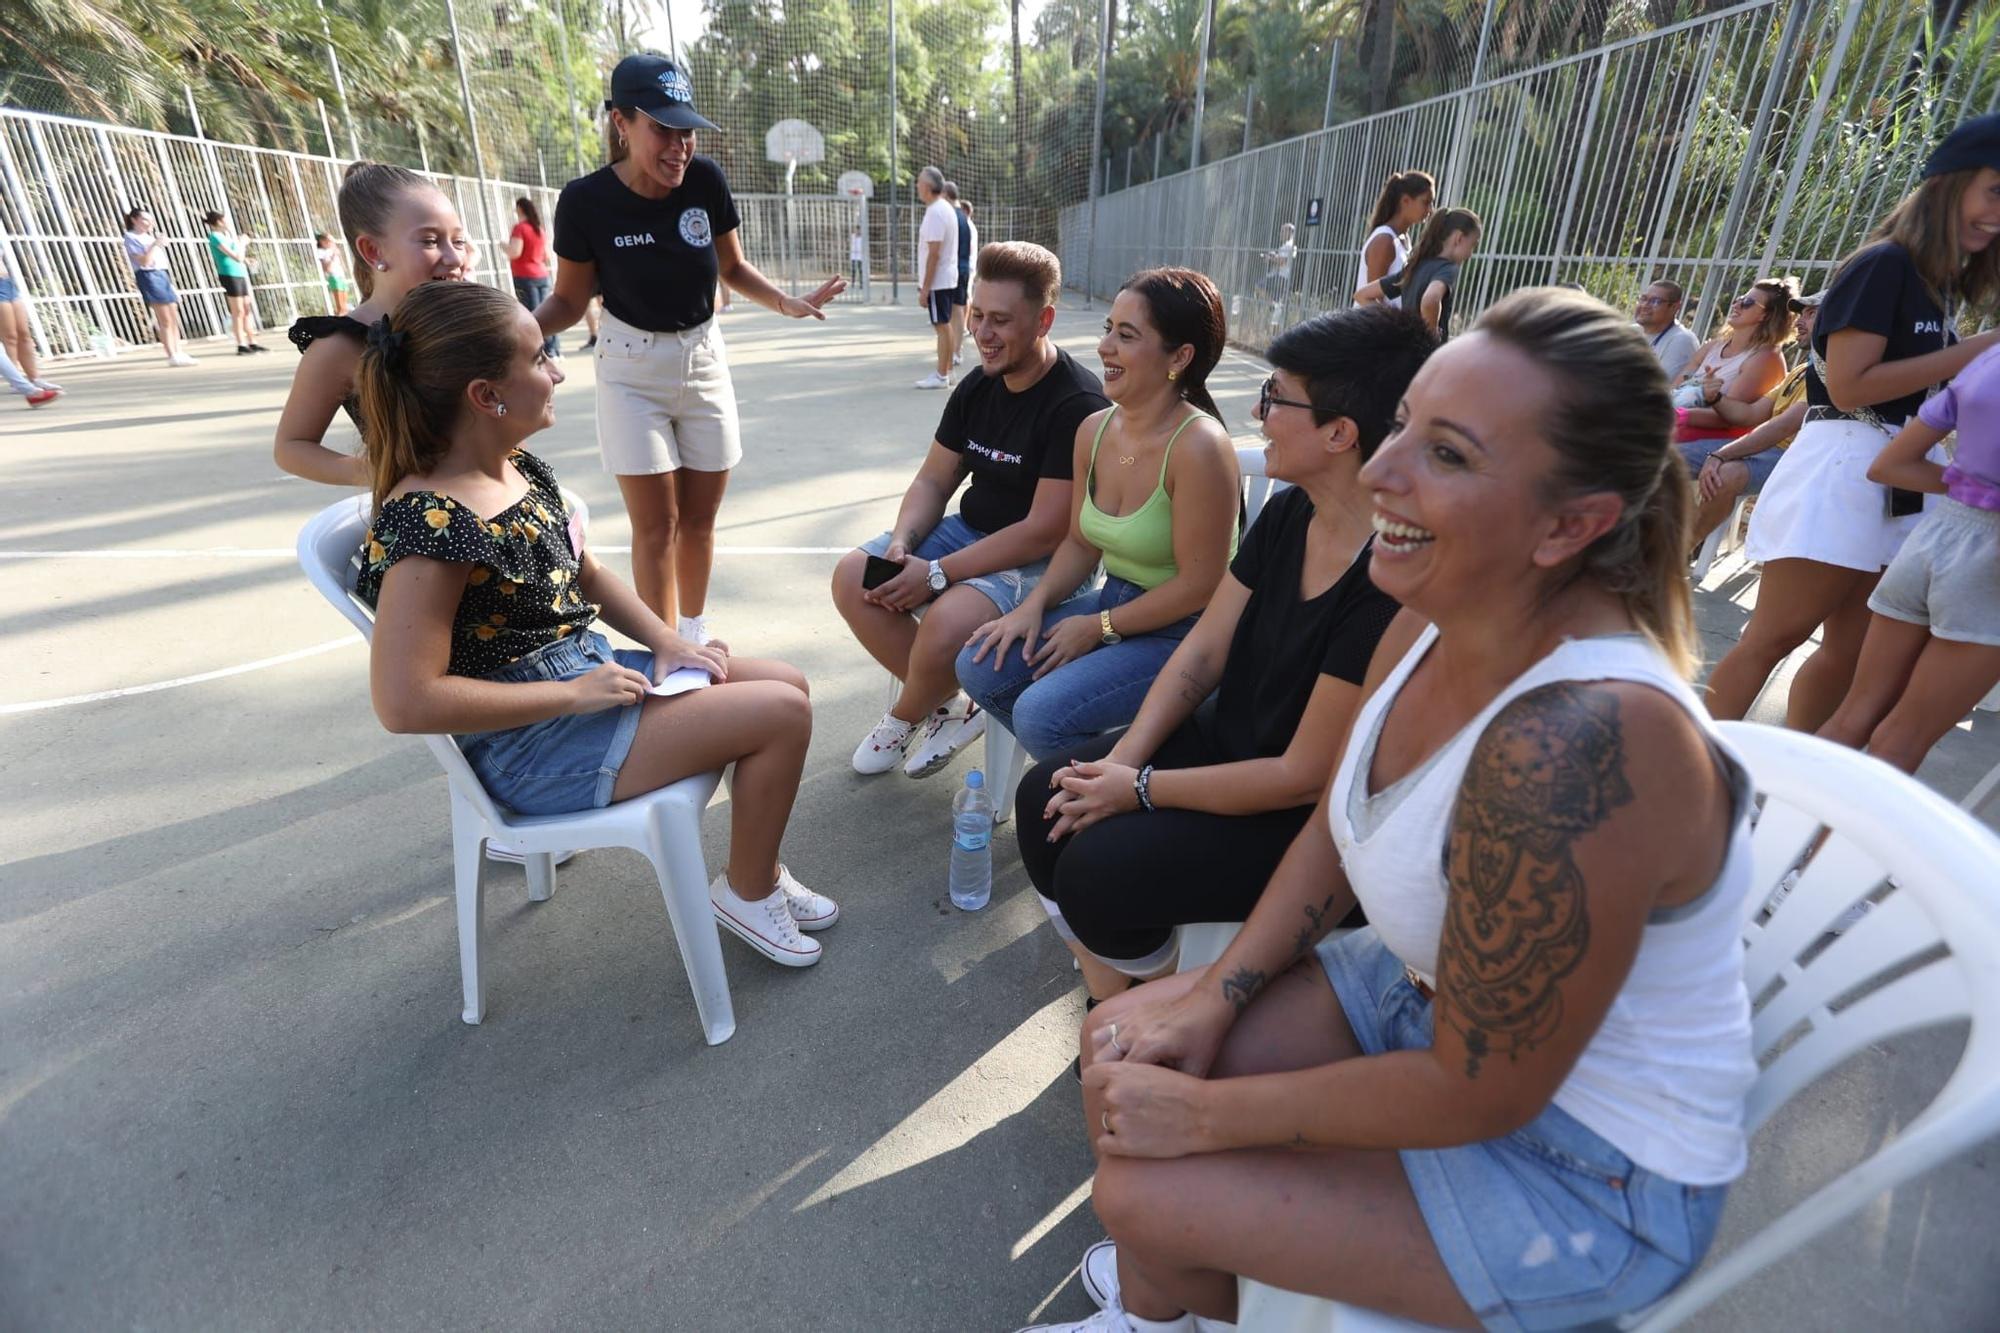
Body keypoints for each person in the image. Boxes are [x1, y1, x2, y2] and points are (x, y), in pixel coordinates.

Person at [1028, 288, 1756, 1333]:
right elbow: (1338, 817)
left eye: (1446, 453)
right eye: (1402, 421)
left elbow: (1480, 1092)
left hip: (1584, 1169)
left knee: (1142, 1179)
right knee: (1125, 1052)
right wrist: (1215, 996)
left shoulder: (1580, 741)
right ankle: (1165, 1311)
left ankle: (1175, 1301)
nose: (1378, 468)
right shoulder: (1440, 608)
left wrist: (1209, 1114)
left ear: (1571, 525)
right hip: (1414, 991)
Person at [354, 280, 834, 967]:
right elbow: (405, 701)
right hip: (528, 741)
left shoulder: (516, 468)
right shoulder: (433, 522)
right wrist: (573, 695)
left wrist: (667, 640)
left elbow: (586, 573)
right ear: (487, 396)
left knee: (785, 682)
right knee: (780, 714)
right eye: (540, 357)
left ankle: (759, 868)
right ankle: (748, 892)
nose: (558, 369)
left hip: (584, 674)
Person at [1015, 305, 1432, 1005]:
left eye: (1275, 397)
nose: (1255, 409)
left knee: (1095, 869)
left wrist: (1140, 788)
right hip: (1225, 744)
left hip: (1300, 819)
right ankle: (1123, 995)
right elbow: (1201, 655)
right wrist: (1123, 761)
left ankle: (1140, 1001)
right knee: (1044, 797)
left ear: (1339, 432)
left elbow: (1301, 776)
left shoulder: (1389, 577)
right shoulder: (1292, 511)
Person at [533, 53, 844, 645]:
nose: (680, 146)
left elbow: (732, 266)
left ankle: (693, 637)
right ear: (622, 124)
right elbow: (570, 303)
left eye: (687, 131)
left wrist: (786, 302)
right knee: (657, 526)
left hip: (704, 358)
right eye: (663, 130)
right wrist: (519, 331)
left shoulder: (706, 181)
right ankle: (663, 648)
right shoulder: (585, 201)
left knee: (699, 521)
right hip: (629, 368)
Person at [1707, 116, 2000, 730]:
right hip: (1842, 464)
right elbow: (1848, 385)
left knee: (1845, 656)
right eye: (1993, 190)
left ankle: (1788, 781)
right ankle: (1689, 773)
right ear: (1949, 184)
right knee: (1773, 638)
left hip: (1895, 480)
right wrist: (1979, 349)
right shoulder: (1883, 265)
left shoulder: (1932, 286)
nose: (1997, 213)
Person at [833, 241, 1109, 779]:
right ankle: (953, 706)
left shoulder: (1077, 403)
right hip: (971, 532)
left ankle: (905, 714)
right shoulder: (979, 385)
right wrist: (903, 542)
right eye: (977, 315)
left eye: (1001, 320)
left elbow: (1045, 529)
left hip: (1046, 561)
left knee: (947, 619)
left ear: (1044, 319)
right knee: (854, 577)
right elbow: (934, 479)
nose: (982, 333)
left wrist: (936, 574)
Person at [957, 268, 1239, 766]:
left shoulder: (1200, 446)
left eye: (1126, 336)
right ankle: (1116, 770)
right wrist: (1033, 606)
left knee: (1043, 715)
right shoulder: (1094, 429)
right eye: (1108, 327)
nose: (1105, 346)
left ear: (1180, 357)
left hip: (1193, 631)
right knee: (980, 666)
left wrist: (1100, 627)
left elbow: (1201, 586)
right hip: (1118, 603)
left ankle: (1123, 799)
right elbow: (1080, 543)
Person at [1818, 342, 2000, 775]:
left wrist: (1971, 489)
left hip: (1933, 538)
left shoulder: (1987, 359)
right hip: (1987, 565)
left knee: (1853, 716)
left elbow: (1890, 465)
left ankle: (1772, 831)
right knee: (1903, 739)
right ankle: (1829, 846)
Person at [276, 161, 475, 488]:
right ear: (373, 250)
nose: (453, 258)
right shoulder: (339, 346)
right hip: (426, 526)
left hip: (501, 502)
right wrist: (381, 473)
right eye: (429, 241)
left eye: (458, 241)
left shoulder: (472, 318)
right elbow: (291, 447)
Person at [1683, 294, 1820, 549]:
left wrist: (1721, 455)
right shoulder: (1802, 370)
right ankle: (1655, 538)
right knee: (1665, 456)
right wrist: (1715, 398)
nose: (1800, 321)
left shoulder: (1830, 371)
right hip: (1771, 449)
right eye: (1802, 314)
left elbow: (1783, 426)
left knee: (1726, 474)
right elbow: (1752, 415)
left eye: (1811, 314)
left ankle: (1680, 552)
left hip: (1796, 457)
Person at [1665, 277, 1794, 419]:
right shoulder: (1714, 346)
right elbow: (1674, 389)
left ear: (1766, 315)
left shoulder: (1766, 358)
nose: (1736, 305)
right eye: (1740, 299)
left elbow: (1727, 419)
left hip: (1714, 435)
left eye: (1747, 302)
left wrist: (1672, 416)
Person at [1356, 207, 1480, 340]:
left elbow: (1363, 295)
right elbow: (1430, 299)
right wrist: (1430, 335)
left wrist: (1394, 323)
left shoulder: (1414, 267)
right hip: (1424, 356)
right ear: (1459, 238)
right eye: (1472, 245)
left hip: (1405, 351)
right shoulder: (1447, 268)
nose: (1470, 254)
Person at [121, 207, 195, 366]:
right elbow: (144, 261)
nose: (149, 223)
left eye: (150, 220)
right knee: (165, 319)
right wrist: (156, 244)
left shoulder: (148, 237)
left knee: (174, 317)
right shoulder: (131, 237)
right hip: (149, 276)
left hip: (162, 274)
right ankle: (172, 355)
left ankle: (178, 351)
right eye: (145, 220)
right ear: (134, 220)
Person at [1354, 170, 1435, 302]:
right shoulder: (1384, 240)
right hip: (1373, 323)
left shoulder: (1404, 239)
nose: (1430, 209)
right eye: (1425, 202)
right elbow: (1372, 300)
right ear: (1406, 201)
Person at [913, 165, 960, 390]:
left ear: (928, 187)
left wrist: (925, 288)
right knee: (945, 325)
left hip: (939, 281)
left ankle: (942, 374)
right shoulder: (944, 208)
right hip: (946, 278)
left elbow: (934, 253)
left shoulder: (936, 212)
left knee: (942, 326)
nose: (917, 186)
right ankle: (947, 371)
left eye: (919, 182)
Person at [203, 210, 266, 355]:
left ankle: (252, 342)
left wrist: (247, 260)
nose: (228, 223)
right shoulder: (215, 237)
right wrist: (243, 243)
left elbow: (239, 257)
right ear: (218, 222)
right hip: (229, 274)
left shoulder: (226, 236)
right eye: (225, 220)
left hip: (240, 273)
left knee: (246, 309)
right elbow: (236, 256)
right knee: (237, 311)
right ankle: (241, 344)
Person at [0, 244, 59, 397]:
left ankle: (35, 378)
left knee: (24, 333)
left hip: (7, 283)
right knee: (10, 336)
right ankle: (16, 381)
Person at [508, 197, 559, 358]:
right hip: (542, 274)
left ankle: (540, 352)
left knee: (533, 315)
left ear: (520, 209)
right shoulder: (539, 229)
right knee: (548, 312)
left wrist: (503, 245)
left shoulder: (520, 228)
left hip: (525, 275)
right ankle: (554, 349)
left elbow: (515, 251)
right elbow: (546, 256)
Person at [1634, 278, 1700, 381]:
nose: (1644, 305)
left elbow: (1658, 386)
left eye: (1655, 301)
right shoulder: (1630, 331)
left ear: (1674, 307)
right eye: (1643, 299)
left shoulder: (1682, 340)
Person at [1261, 222, 1297, 329]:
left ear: (1289, 232)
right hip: (1280, 276)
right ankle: (1274, 307)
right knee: (1277, 304)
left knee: (1259, 286)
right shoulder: (1287, 245)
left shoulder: (1289, 245)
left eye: (1283, 231)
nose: (1280, 233)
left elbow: (1282, 262)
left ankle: (1273, 305)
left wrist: (1270, 258)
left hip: (1281, 277)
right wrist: (1274, 256)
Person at [314, 231, 354, 316]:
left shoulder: (332, 250)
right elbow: (327, 268)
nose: (331, 243)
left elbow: (341, 264)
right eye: (329, 240)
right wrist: (333, 256)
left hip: (340, 275)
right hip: (333, 276)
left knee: (345, 302)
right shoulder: (321, 252)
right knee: (340, 305)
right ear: (322, 241)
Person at [850, 225, 866, 291]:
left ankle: (861, 284)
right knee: (853, 270)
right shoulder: (853, 236)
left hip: (860, 256)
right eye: (856, 230)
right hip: (853, 255)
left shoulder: (862, 237)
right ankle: (853, 283)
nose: (857, 231)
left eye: (858, 230)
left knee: (860, 270)